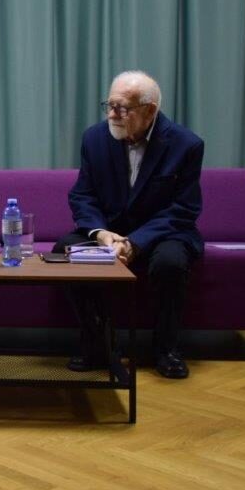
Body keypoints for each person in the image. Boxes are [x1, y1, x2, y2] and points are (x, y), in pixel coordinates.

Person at [53, 70, 204, 378]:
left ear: (150, 110)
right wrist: (100, 233)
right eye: (109, 105)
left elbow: (183, 208)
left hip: (163, 233)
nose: (112, 114)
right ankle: (98, 343)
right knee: (64, 251)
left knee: (171, 263)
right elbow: (83, 195)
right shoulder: (94, 138)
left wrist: (136, 242)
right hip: (110, 230)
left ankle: (166, 349)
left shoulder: (186, 144)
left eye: (122, 108)